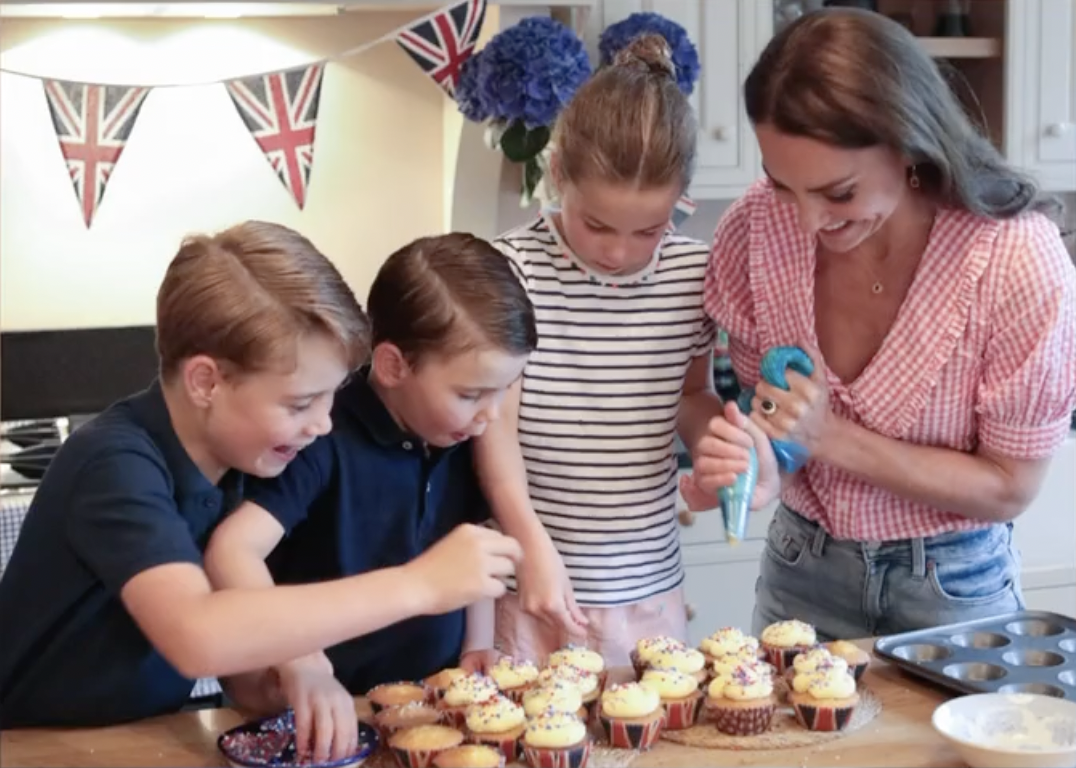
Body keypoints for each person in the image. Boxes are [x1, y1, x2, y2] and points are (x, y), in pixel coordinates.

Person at [0, 223, 519, 731]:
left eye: (331, 397)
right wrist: (418, 585)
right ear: (207, 381)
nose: (323, 424)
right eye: (299, 403)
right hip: (31, 743)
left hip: (144, 732)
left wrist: (292, 671)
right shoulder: (114, 465)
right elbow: (197, 634)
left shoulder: (238, 467)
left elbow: (243, 679)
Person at [699, 8, 1076, 640]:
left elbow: (1010, 487)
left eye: (839, 193)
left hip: (953, 589)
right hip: (801, 570)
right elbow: (779, 428)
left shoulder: (1013, 260)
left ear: (910, 143)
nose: (807, 222)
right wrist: (764, 463)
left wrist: (831, 437)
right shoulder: (754, 229)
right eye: (783, 185)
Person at [474, 33, 777, 666]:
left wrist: (714, 446)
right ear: (558, 174)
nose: (618, 252)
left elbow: (691, 394)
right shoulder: (511, 270)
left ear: (680, 201)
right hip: (532, 584)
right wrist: (531, 546)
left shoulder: (695, 274)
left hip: (647, 589)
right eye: (596, 224)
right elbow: (493, 425)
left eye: (649, 229)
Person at [204, 233, 537, 761]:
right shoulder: (322, 433)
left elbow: (474, 548)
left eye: (505, 390)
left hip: (430, 710)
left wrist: (479, 643)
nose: (490, 414)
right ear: (393, 366)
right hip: (323, 716)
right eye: (471, 394)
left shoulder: (460, 437)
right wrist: (302, 662)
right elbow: (231, 550)